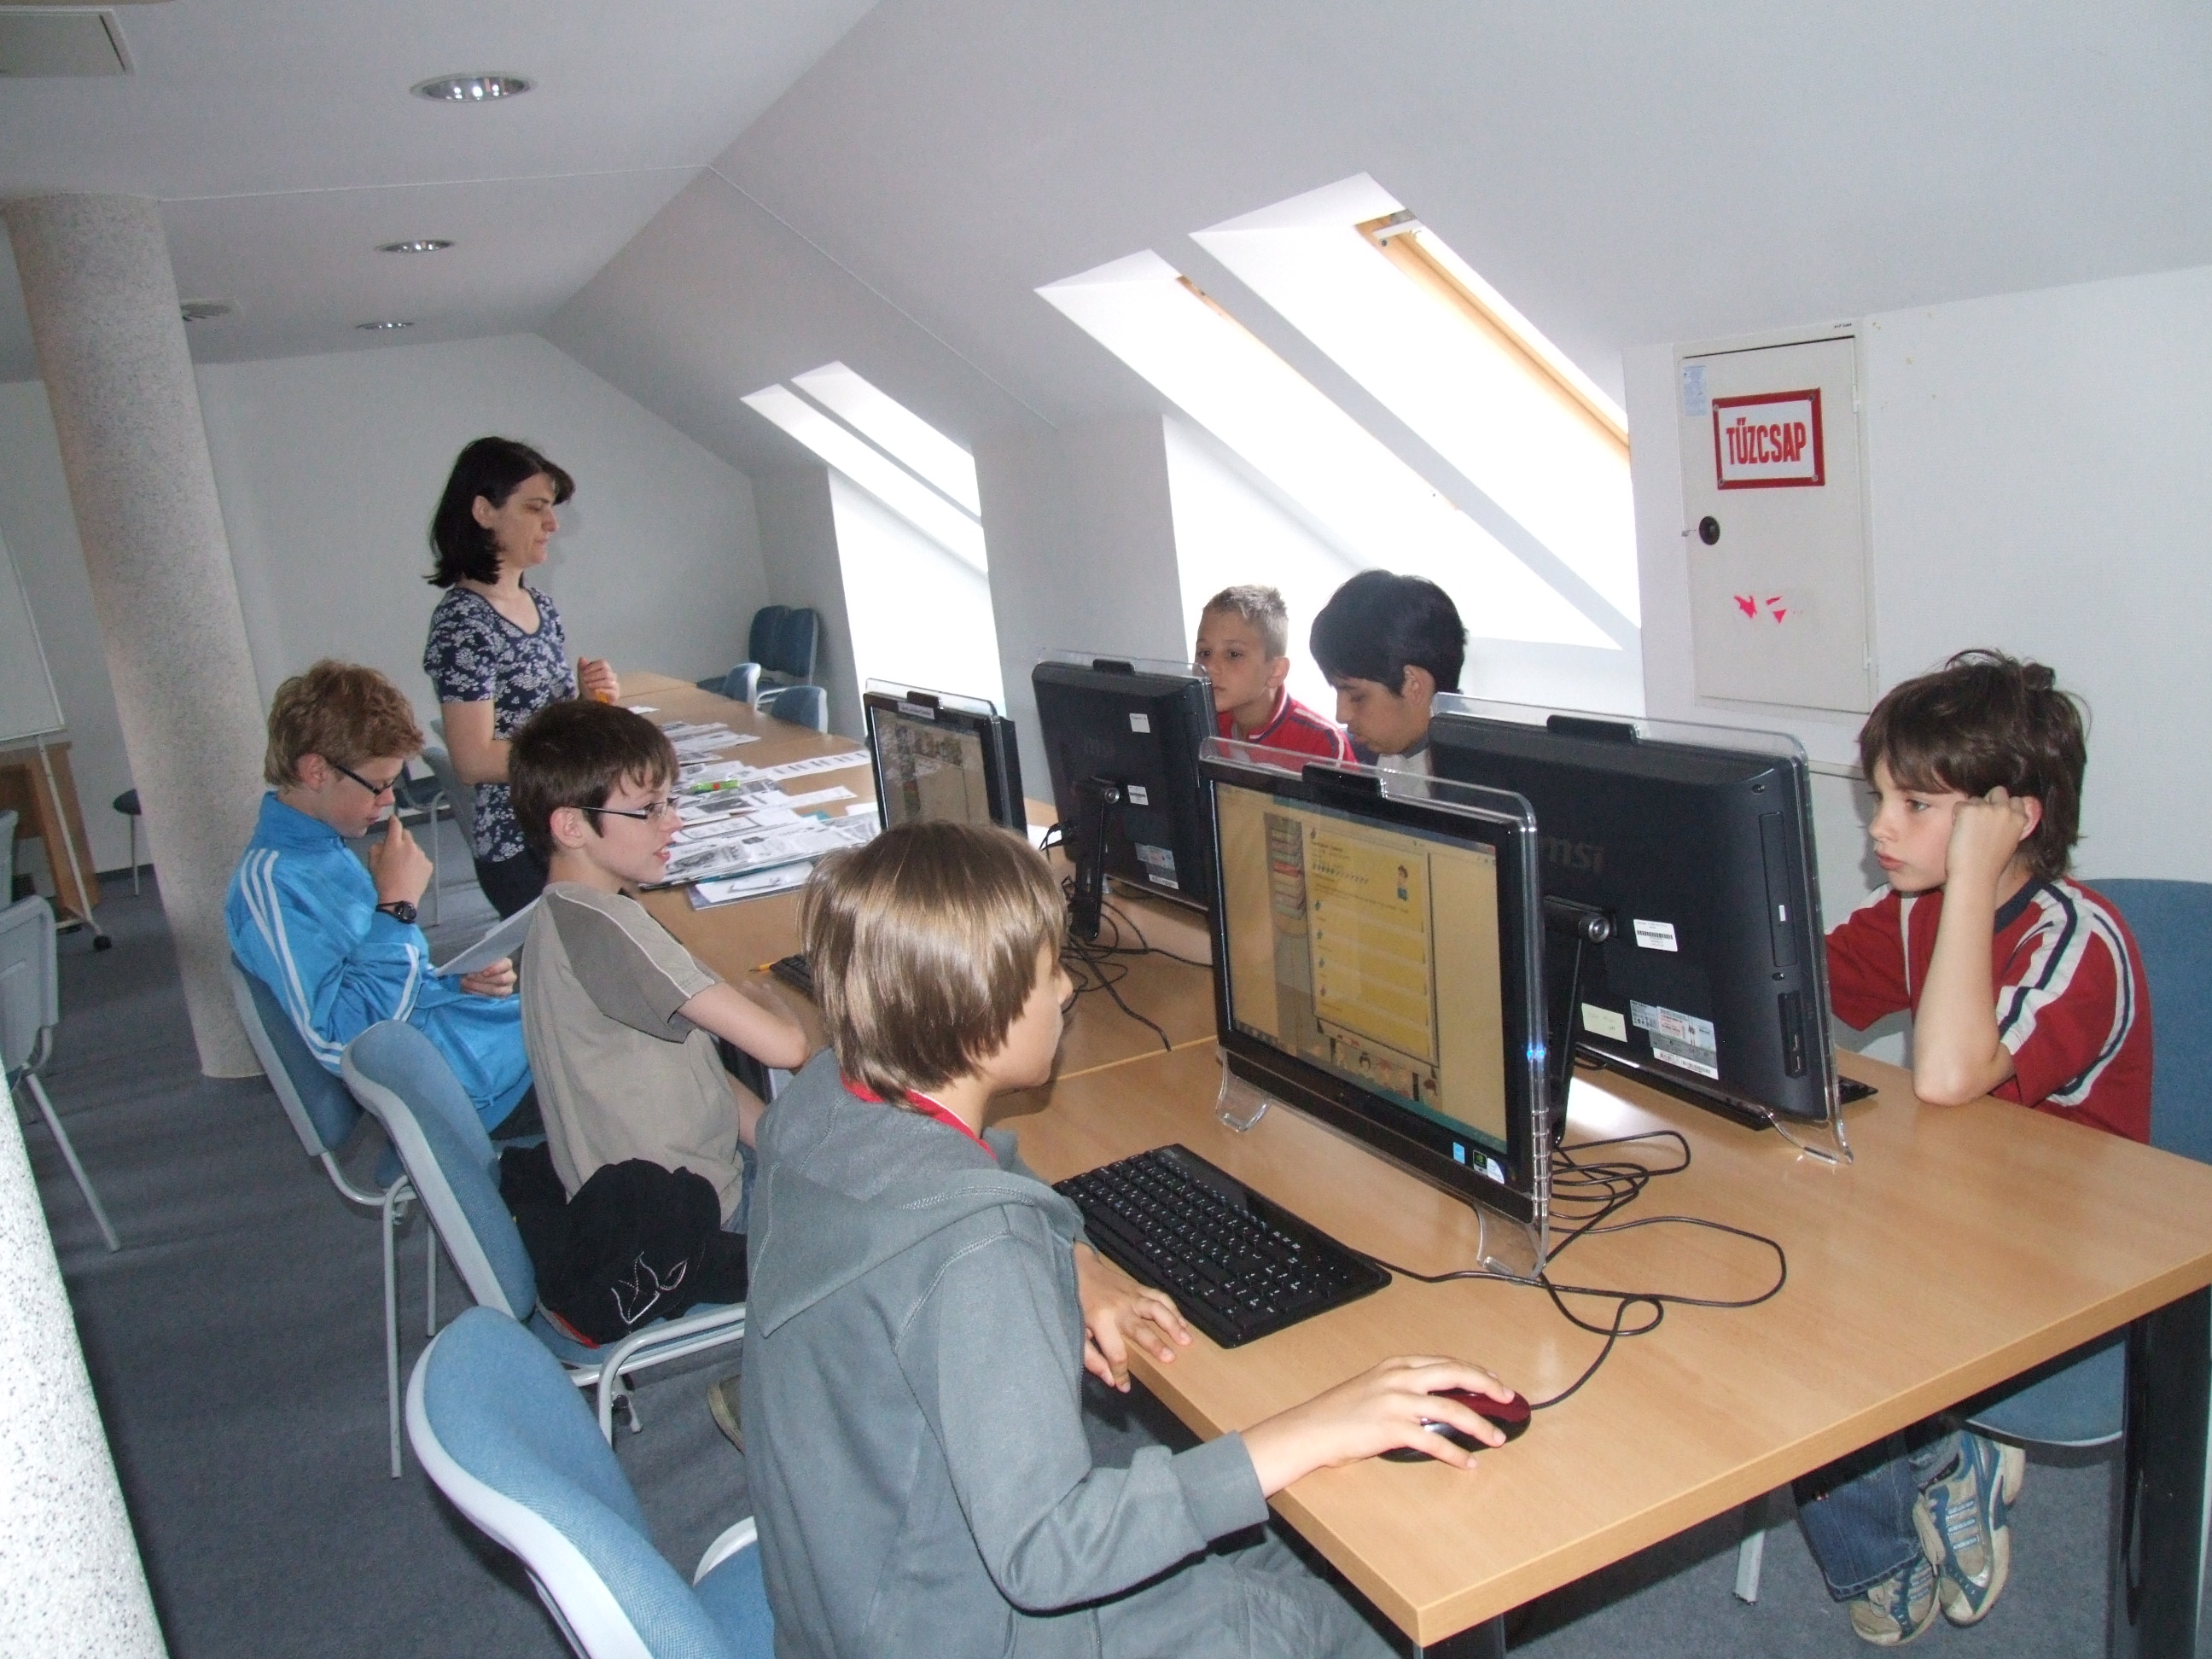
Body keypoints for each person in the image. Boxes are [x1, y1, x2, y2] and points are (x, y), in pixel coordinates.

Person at [743, 818, 1518, 1659]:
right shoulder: (976, 1252)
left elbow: (984, 1168)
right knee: (1344, 1616)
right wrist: (1309, 1425)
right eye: (1049, 972)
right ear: (979, 1021)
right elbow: (1048, 1551)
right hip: (980, 1628)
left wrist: (1073, 1258)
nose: (1068, 991)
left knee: (1286, 1537)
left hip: (862, 1592)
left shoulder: (823, 1103)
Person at [1796, 649, 2151, 1646]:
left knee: (1824, 1323)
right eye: (1879, 799)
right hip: (1947, 1209)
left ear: (2010, 820)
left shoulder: (2075, 944)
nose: (1879, 828)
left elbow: (1952, 1073)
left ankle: (1950, 1457)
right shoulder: (1915, 914)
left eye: (1915, 805)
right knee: (1781, 1278)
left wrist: (1969, 884)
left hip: (2071, 1257)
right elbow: (1792, 983)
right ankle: (1910, 1505)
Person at [507, 698, 809, 1238]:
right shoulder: (609, 930)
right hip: (694, 1225)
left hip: (646, 1201)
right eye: (649, 809)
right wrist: (771, 1001)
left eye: (670, 802)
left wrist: (788, 1149)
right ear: (572, 826)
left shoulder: (563, 913)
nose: (674, 822)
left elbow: (703, 1070)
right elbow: (785, 1048)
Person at [226, 661, 534, 1136]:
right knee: (637, 1064)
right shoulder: (271, 887)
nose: (389, 800)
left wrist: (457, 983)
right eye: (380, 784)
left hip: (478, 1051)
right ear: (316, 771)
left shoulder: (324, 851)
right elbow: (344, 1040)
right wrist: (397, 908)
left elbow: (378, 981)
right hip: (466, 1090)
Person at [422, 436, 620, 918]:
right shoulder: (463, 622)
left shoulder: (540, 605)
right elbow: (473, 759)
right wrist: (575, 752)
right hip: (519, 845)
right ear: (484, 512)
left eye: (551, 508)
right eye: (535, 508)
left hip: (563, 826)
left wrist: (587, 703)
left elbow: (542, 722)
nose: (552, 524)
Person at [1309, 570, 1467, 788]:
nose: (1341, 715)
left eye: (1357, 697)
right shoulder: (1361, 755)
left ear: (1413, 685)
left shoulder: (1480, 780)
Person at [1194, 584, 1350, 762]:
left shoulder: (1324, 744)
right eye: (1204, 652)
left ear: (1276, 671)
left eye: (1233, 654)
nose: (1210, 667)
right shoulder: (1197, 724)